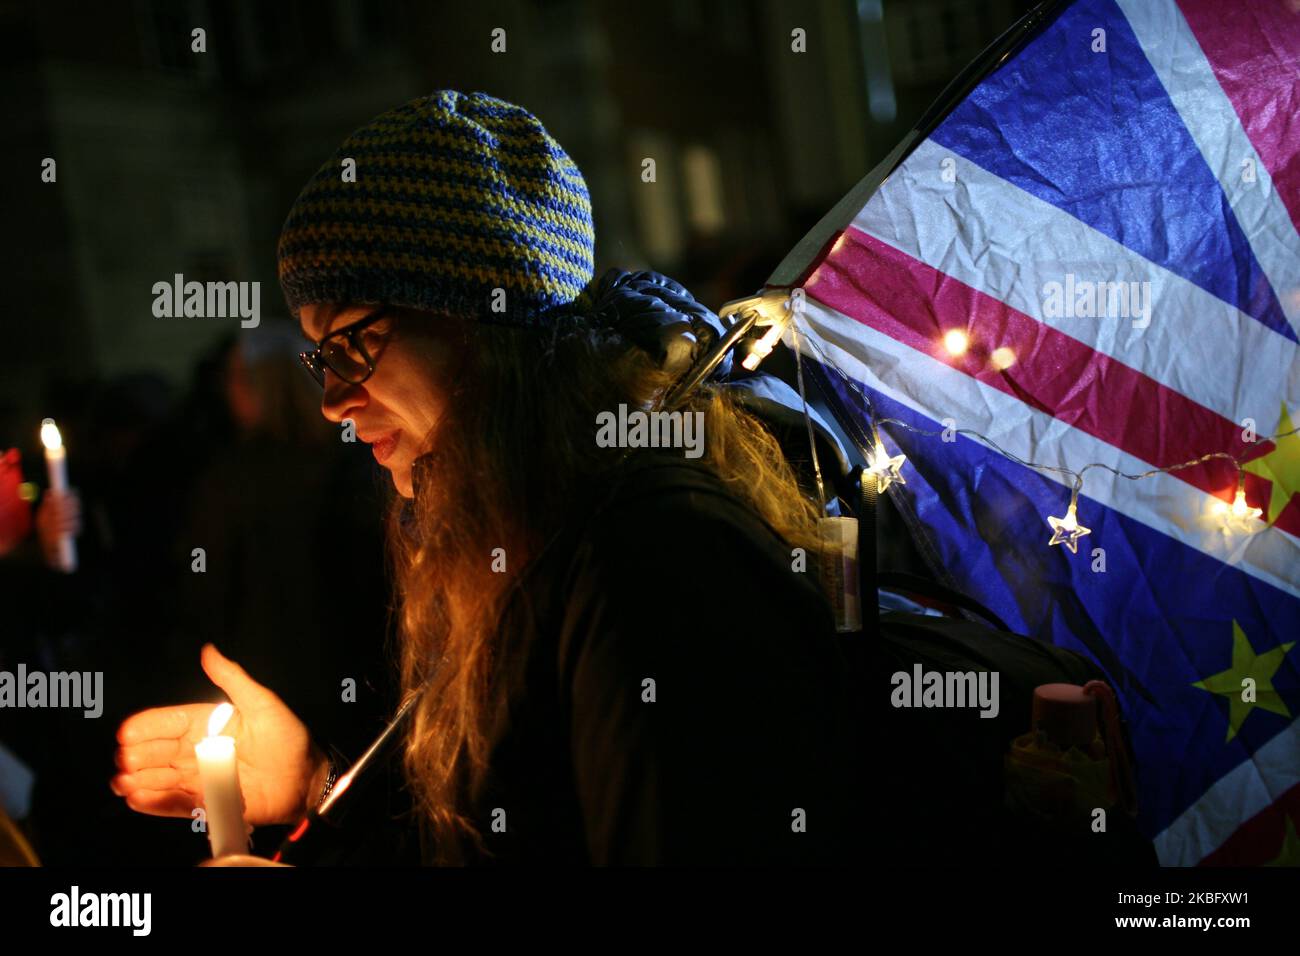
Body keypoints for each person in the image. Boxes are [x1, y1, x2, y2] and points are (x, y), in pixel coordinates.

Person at [111, 90, 862, 865]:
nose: (333, 400)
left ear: (478, 324)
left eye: (351, 343)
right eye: (318, 357)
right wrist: (316, 786)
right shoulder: (524, 532)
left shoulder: (656, 554)